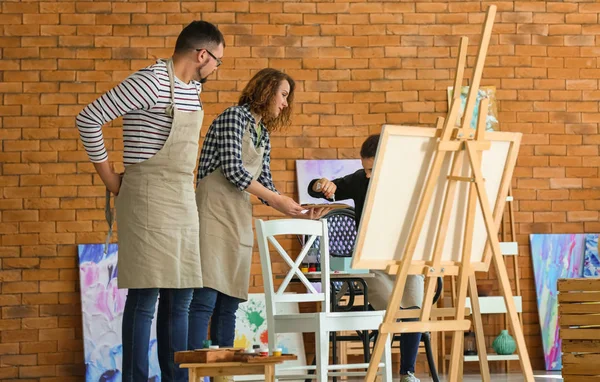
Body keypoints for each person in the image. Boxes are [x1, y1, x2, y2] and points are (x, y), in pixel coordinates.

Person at [76, 21, 225, 382]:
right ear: (201, 54)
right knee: (145, 298)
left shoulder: (192, 90)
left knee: (182, 296)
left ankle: (175, 378)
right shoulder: (151, 81)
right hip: (146, 200)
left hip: (181, 199)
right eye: (218, 60)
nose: (217, 68)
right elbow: (88, 119)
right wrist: (111, 178)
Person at [188, 68, 328, 352]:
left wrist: (298, 212)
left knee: (230, 301)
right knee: (206, 298)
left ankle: (222, 375)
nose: (285, 103)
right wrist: (278, 201)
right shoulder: (233, 117)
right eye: (283, 95)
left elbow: (265, 184)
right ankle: (194, 373)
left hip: (237, 214)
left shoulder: (262, 132)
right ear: (266, 91)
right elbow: (233, 171)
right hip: (213, 211)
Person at [307, 134, 425, 382]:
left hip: (405, 258)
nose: (367, 174)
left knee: (414, 308)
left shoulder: (408, 182)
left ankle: (407, 373)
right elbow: (316, 190)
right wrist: (322, 184)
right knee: (395, 310)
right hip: (370, 263)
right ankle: (394, 371)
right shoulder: (360, 181)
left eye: (372, 169)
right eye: (365, 169)